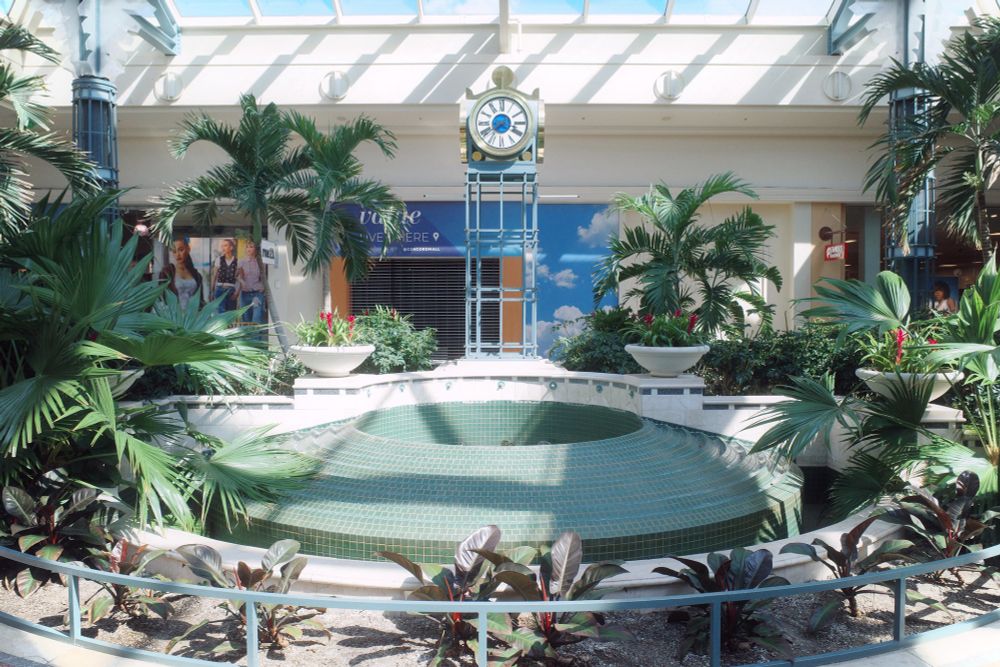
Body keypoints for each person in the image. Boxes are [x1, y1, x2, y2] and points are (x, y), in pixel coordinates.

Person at [160, 237, 203, 310]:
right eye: (174, 251)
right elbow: (161, 298)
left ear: (188, 249)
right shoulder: (167, 272)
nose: (177, 254)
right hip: (174, 315)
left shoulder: (197, 275)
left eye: (181, 250)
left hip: (192, 315)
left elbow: (200, 300)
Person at [237, 239, 267, 324]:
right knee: (246, 320)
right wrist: (242, 281)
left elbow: (264, 277)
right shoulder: (241, 262)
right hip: (245, 294)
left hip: (257, 294)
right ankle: (247, 338)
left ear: (256, 249)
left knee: (256, 320)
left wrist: (262, 288)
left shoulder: (261, 262)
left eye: (251, 247)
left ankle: (256, 338)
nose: (248, 249)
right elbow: (236, 276)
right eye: (247, 247)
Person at [210, 238, 239, 313]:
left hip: (231, 290)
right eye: (222, 246)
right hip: (220, 289)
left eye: (225, 245)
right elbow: (214, 275)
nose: (223, 248)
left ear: (231, 247)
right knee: (220, 314)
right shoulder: (219, 259)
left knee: (230, 314)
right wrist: (212, 291)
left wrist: (237, 293)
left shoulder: (237, 261)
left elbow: (239, 278)